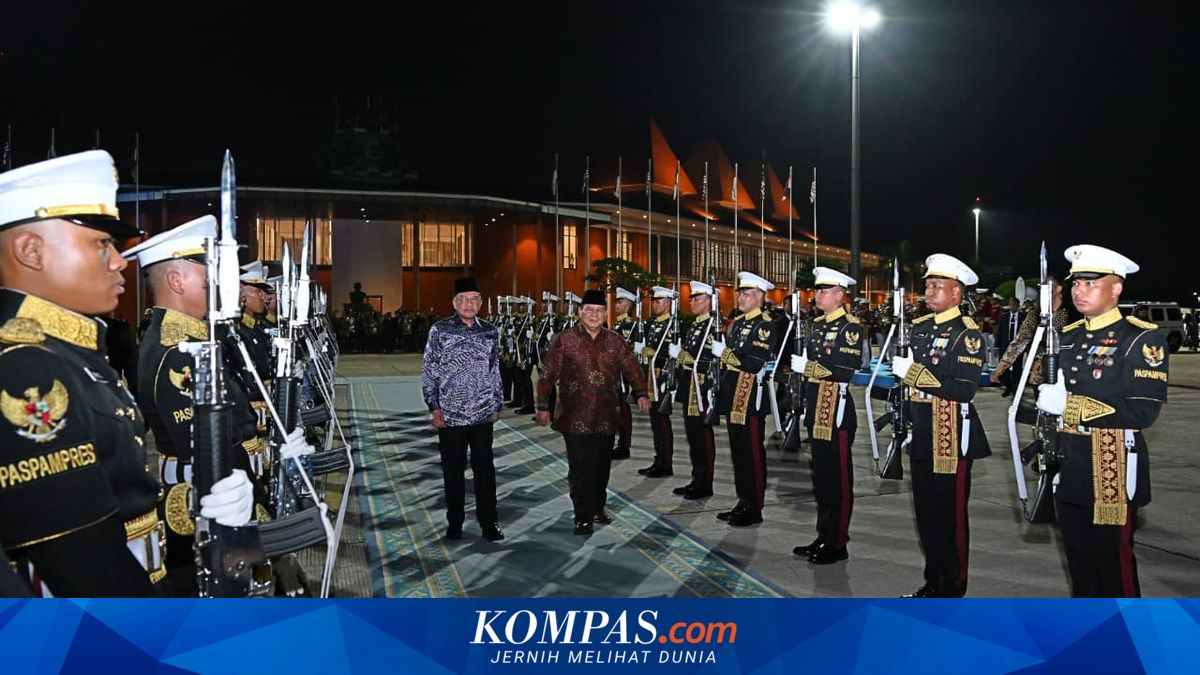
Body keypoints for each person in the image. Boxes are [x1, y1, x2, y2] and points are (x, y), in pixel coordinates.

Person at [0, 150, 230, 596]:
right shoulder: (25, 368)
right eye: (101, 244)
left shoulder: (69, 352)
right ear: (30, 250)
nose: (119, 262)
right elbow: (84, 566)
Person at [123, 215, 268, 595]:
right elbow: (205, 446)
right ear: (176, 280)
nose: (217, 285)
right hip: (202, 502)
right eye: (209, 276)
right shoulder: (177, 353)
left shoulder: (195, 341)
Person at [1036, 245, 1167, 597]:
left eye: (1091, 283)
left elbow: (1143, 411)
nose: (1080, 290)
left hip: (1111, 470)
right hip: (1070, 467)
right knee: (1080, 568)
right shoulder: (1067, 338)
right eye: (1076, 283)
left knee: (1114, 570)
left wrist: (1071, 405)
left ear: (1116, 288)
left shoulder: (1140, 340)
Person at [891, 253, 992, 597]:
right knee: (926, 516)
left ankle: (952, 585)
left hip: (950, 435)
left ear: (956, 294)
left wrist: (915, 374)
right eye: (928, 285)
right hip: (921, 431)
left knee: (949, 518)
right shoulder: (917, 329)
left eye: (938, 286)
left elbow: (963, 389)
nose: (930, 291)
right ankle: (932, 581)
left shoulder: (967, 334)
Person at [536, 289, 649, 536]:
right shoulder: (564, 340)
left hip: (607, 415)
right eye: (589, 310)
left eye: (599, 311)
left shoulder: (615, 340)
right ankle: (582, 515)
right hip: (574, 417)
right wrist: (542, 406)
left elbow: (631, 366)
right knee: (580, 466)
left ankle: (597, 507)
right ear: (580, 312)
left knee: (601, 466)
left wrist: (641, 392)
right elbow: (548, 375)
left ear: (605, 313)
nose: (594, 315)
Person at [422, 277, 505, 542]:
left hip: (482, 413)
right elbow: (429, 370)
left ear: (480, 303)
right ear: (455, 303)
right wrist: (434, 407)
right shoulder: (440, 331)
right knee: (453, 471)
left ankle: (488, 523)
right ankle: (455, 522)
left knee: (485, 470)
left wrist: (497, 402)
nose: (469, 304)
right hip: (451, 415)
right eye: (463, 299)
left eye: (474, 299)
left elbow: (495, 370)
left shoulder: (490, 332)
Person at [789, 267, 863, 564]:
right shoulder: (816, 326)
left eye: (824, 290)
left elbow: (844, 369)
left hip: (837, 412)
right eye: (817, 290)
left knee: (839, 481)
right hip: (816, 409)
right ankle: (823, 535)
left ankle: (837, 542)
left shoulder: (851, 328)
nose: (817, 294)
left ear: (840, 294)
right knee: (822, 479)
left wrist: (806, 369)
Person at [710, 271, 780, 527]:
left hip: (750, 397)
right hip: (733, 394)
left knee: (751, 453)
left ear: (760, 297)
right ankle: (743, 501)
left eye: (747, 293)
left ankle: (754, 506)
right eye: (740, 292)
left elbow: (752, 362)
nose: (741, 297)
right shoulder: (737, 323)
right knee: (738, 453)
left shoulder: (765, 325)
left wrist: (725, 353)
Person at [671, 280, 718, 500]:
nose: (692, 302)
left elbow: (716, 360)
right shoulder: (696, 325)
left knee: (702, 436)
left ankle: (705, 483)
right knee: (692, 436)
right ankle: (696, 478)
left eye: (697, 298)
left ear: (709, 301)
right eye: (692, 298)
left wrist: (694, 362)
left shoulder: (714, 325)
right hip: (690, 386)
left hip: (702, 387)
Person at [991, 277, 1068, 392]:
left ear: (1059, 289)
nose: (1045, 291)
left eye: (1049, 287)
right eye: (1042, 288)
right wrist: (1000, 369)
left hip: (1068, 373)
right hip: (1040, 374)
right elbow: (1019, 341)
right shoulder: (1036, 315)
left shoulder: (1075, 313)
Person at [636, 285, 677, 478]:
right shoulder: (655, 325)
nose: (654, 305)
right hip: (651, 376)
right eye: (653, 301)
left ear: (668, 304)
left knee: (662, 421)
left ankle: (665, 462)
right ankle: (658, 459)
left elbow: (673, 355)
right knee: (655, 422)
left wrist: (656, 355)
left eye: (658, 301)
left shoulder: (672, 325)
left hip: (661, 377)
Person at [610, 287, 639, 460]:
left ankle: (624, 445)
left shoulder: (631, 326)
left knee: (623, 410)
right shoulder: (616, 325)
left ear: (628, 304)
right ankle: (617, 442)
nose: (617, 305)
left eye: (620, 302)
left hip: (621, 375)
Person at [993, 297, 1022, 395]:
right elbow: (999, 332)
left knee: (1017, 368)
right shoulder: (1004, 317)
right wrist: (997, 346)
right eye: (1010, 304)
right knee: (1004, 367)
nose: (1011, 306)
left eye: (1014, 304)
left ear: (1018, 306)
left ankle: (1016, 387)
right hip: (1005, 346)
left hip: (1018, 347)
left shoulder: (1023, 317)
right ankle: (1008, 386)